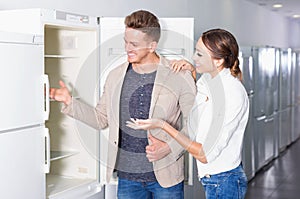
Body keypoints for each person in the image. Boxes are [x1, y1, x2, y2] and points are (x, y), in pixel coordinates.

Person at [49, 10, 196, 199]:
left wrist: (168, 147)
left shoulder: (178, 75)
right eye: (125, 42)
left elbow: (196, 123)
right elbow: (100, 119)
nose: (128, 48)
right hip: (128, 178)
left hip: (166, 177)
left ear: (152, 46)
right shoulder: (115, 76)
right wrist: (70, 103)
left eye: (134, 44)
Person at [126, 28, 249, 199]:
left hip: (225, 181)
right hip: (212, 179)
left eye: (200, 54)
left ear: (219, 61)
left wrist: (162, 125)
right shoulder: (209, 80)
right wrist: (192, 72)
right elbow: (198, 104)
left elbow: (204, 154)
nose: (193, 57)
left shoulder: (231, 94)